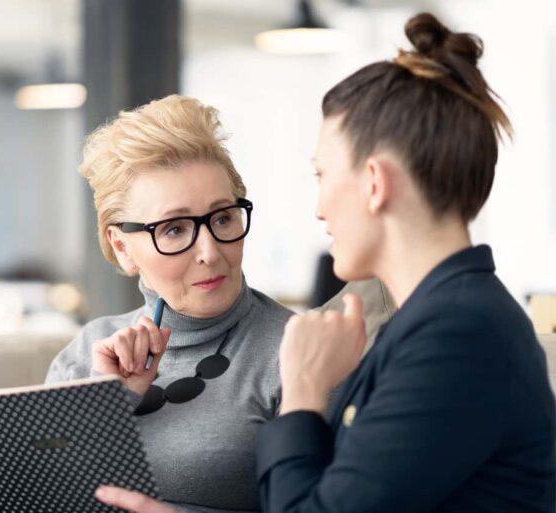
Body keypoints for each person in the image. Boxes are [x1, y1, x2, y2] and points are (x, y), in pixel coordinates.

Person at [96, 13, 556, 513]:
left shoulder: (456, 336)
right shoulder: (438, 325)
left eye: (322, 174)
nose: (318, 208)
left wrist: (303, 393)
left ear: (374, 183)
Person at [45, 95, 393, 513]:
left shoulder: (301, 353)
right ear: (122, 247)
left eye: (223, 218)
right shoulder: (88, 351)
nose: (210, 251)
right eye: (174, 230)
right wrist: (106, 407)